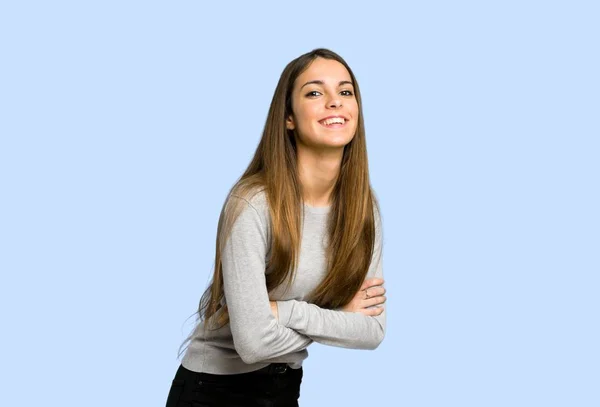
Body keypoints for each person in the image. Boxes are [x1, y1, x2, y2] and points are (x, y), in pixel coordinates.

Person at [165, 48, 387, 407]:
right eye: (315, 92)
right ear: (288, 117)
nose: (335, 102)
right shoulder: (253, 203)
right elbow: (253, 344)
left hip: (284, 389)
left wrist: (282, 312)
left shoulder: (363, 208)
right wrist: (337, 318)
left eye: (345, 92)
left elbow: (371, 331)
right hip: (212, 391)